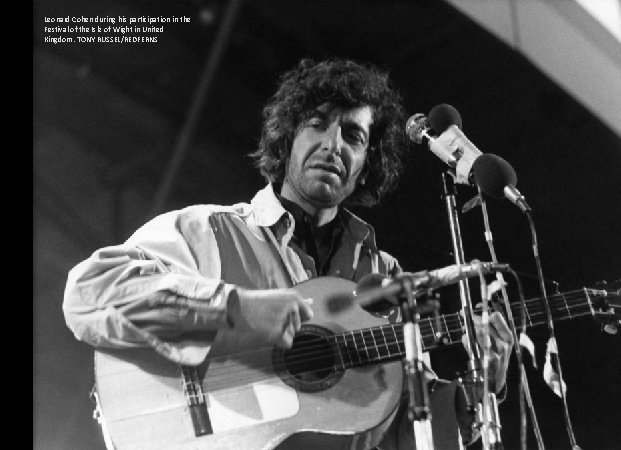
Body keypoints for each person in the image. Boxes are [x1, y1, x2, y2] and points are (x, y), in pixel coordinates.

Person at [63, 58, 513, 450]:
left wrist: (480, 388)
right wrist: (235, 312)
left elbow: (403, 433)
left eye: (353, 136)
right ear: (288, 138)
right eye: (317, 124)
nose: (333, 145)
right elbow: (91, 293)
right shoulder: (211, 230)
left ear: (366, 164)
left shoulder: (384, 277)